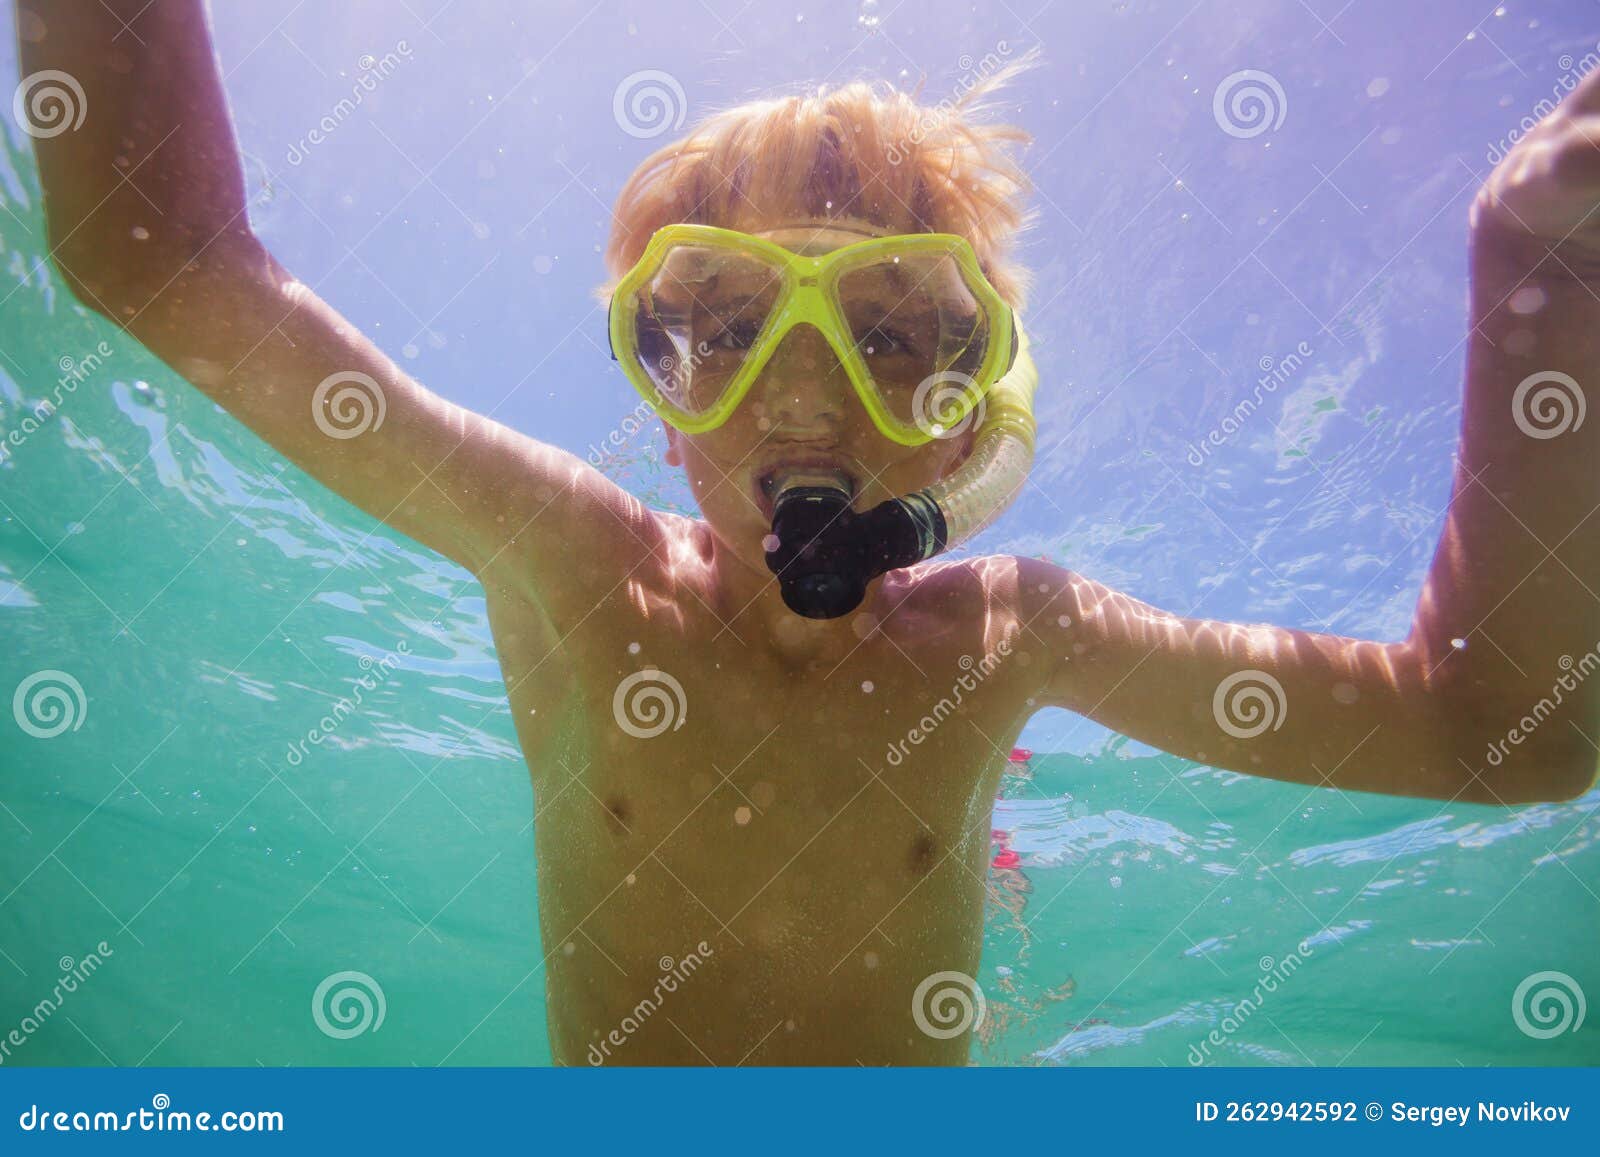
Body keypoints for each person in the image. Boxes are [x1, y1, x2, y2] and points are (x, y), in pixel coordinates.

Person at [19, 0, 1598, 1065]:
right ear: (655, 379)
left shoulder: (1004, 637)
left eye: (893, 332)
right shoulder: (579, 569)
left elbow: (1498, 734)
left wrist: (1542, 274)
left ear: (971, 410)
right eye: (719, 322)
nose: (802, 402)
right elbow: (157, 260)